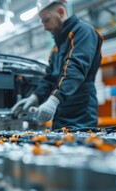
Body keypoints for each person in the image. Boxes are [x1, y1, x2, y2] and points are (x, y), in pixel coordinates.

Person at [11, 0, 103, 130]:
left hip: (81, 116)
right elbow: (50, 79)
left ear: (61, 12)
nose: (44, 27)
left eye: (46, 20)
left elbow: (75, 70)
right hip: (60, 116)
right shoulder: (56, 48)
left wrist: (53, 101)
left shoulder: (83, 32)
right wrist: (34, 98)